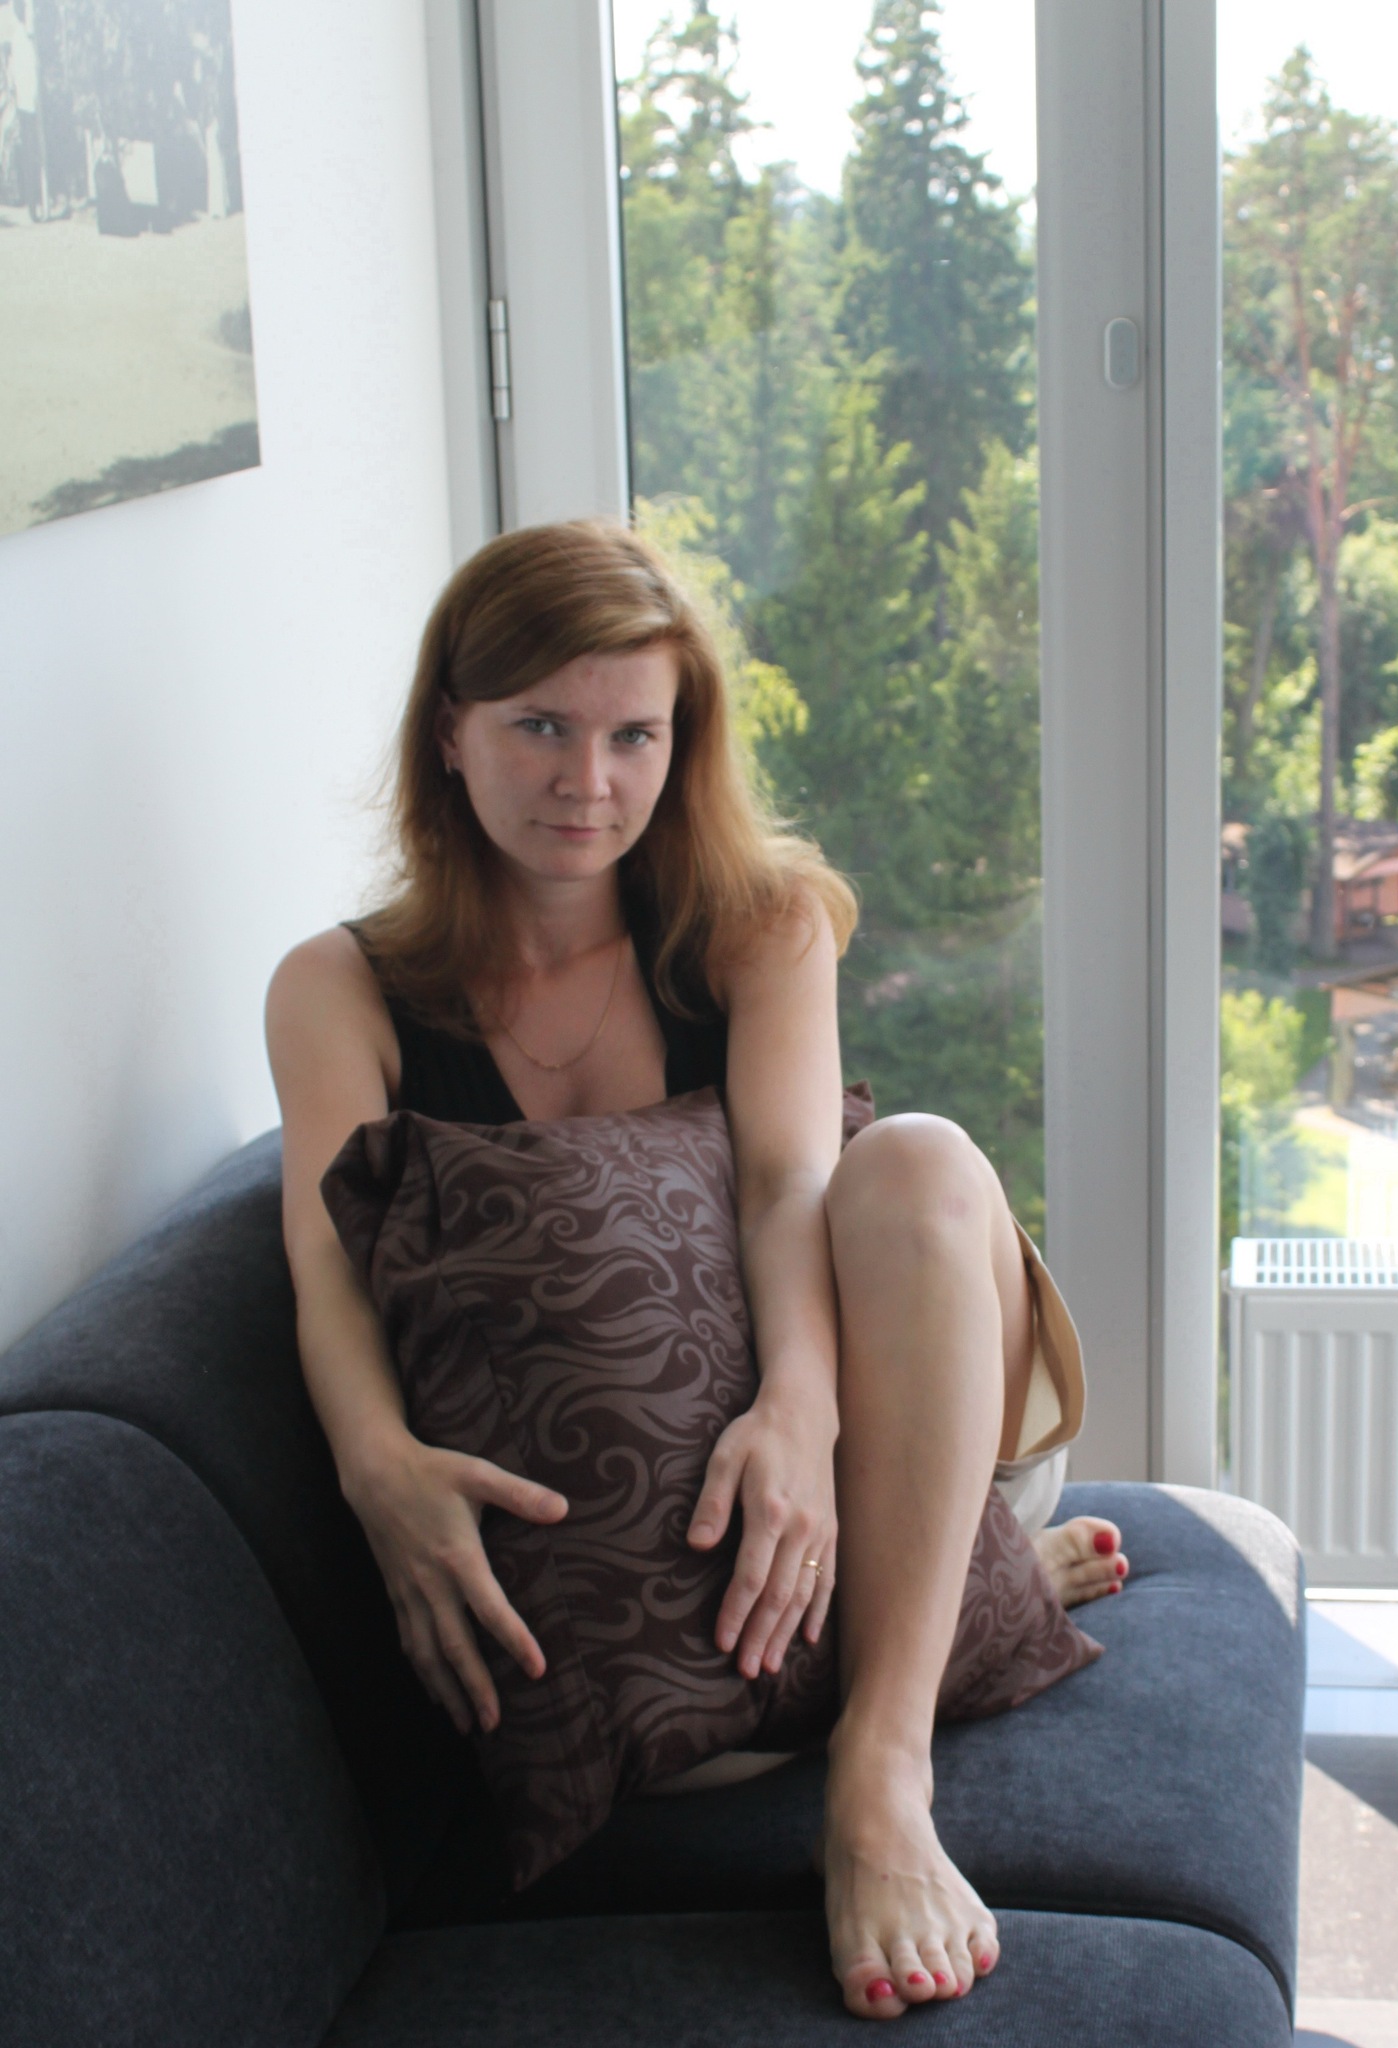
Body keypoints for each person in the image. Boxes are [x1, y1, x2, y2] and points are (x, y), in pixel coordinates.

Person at [266, 521, 1129, 2022]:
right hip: (678, 1512)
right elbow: (322, 1258)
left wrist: (797, 1406)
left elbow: (790, 1188)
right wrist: (375, 1463)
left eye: (633, 736)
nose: (586, 782)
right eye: (539, 726)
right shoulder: (341, 989)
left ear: (684, 745)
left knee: (915, 1156)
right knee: (691, 1745)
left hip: (898, 1405)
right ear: (450, 733)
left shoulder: (757, 924)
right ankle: (963, 1595)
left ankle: (882, 1771)